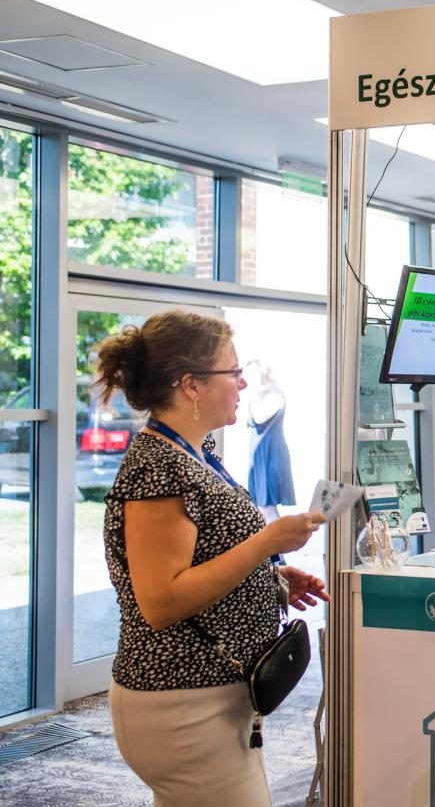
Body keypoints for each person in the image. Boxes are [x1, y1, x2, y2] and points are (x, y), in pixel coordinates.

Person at [96, 310, 328, 807]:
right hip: (183, 701)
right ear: (191, 385)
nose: (243, 383)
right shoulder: (160, 467)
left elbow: (208, 555)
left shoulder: (196, 454)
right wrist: (265, 544)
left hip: (211, 696)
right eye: (233, 371)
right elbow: (162, 601)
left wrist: (271, 577)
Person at [244, 359, 295, 521]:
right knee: (260, 505)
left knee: (267, 507)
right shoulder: (258, 396)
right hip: (259, 456)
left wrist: (253, 392)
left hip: (271, 455)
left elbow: (259, 417)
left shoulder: (275, 395)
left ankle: (279, 537)